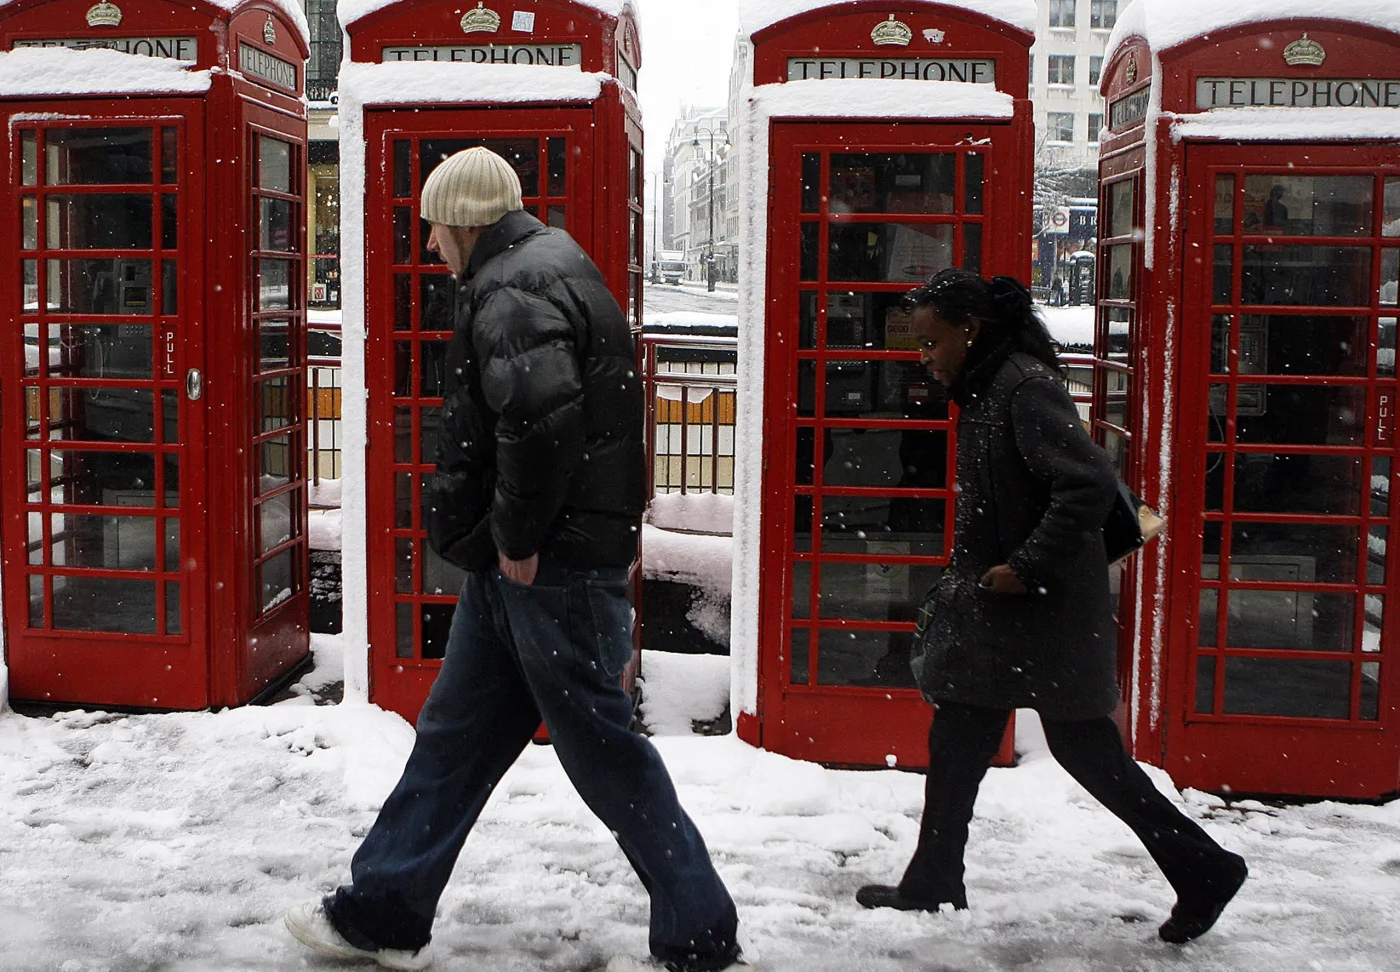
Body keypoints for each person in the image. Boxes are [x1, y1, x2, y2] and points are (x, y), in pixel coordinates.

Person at [285, 147, 744, 972]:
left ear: (464, 220)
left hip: (550, 570)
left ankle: (701, 930)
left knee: (606, 754)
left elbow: (539, 415)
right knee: (453, 738)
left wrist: (520, 538)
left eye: (432, 227)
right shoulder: (544, 264)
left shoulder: (511, 287)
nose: (427, 245)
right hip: (519, 571)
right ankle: (382, 907)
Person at [855, 269, 1247, 946]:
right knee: (957, 740)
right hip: (1000, 615)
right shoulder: (985, 385)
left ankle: (1205, 866)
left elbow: (1087, 484)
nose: (924, 357)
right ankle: (934, 876)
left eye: (930, 342)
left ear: (969, 328)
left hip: (1042, 614)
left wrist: (1025, 566)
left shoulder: (1021, 387)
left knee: (1092, 757)